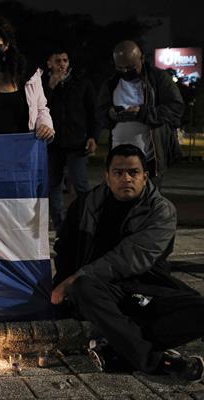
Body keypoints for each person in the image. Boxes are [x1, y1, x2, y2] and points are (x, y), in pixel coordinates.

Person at [52, 144, 204, 380]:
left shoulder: (161, 211)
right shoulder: (85, 205)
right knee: (83, 287)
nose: (126, 178)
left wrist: (75, 277)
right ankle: (156, 361)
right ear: (107, 177)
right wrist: (64, 283)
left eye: (133, 172)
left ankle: (117, 351)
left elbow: (129, 257)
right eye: (118, 172)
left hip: (146, 288)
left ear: (145, 176)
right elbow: (65, 248)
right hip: (100, 291)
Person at [96, 40, 184, 187]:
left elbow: (176, 108)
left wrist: (143, 113)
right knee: (119, 205)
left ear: (141, 59)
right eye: (120, 68)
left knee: (149, 205)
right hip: (118, 158)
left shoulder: (159, 79)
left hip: (149, 159)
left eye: (130, 68)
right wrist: (112, 114)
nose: (125, 72)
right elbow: (100, 114)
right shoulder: (111, 83)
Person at [42, 49, 97, 231]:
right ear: (49, 63)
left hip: (77, 142)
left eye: (65, 60)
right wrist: (50, 87)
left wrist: (93, 137)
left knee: (80, 184)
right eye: (57, 60)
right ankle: (60, 226)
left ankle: (85, 223)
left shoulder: (82, 84)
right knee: (52, 185)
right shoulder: (41, 85)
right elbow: (36, 110)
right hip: (52, 143)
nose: (62, 64)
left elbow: (92, 112)